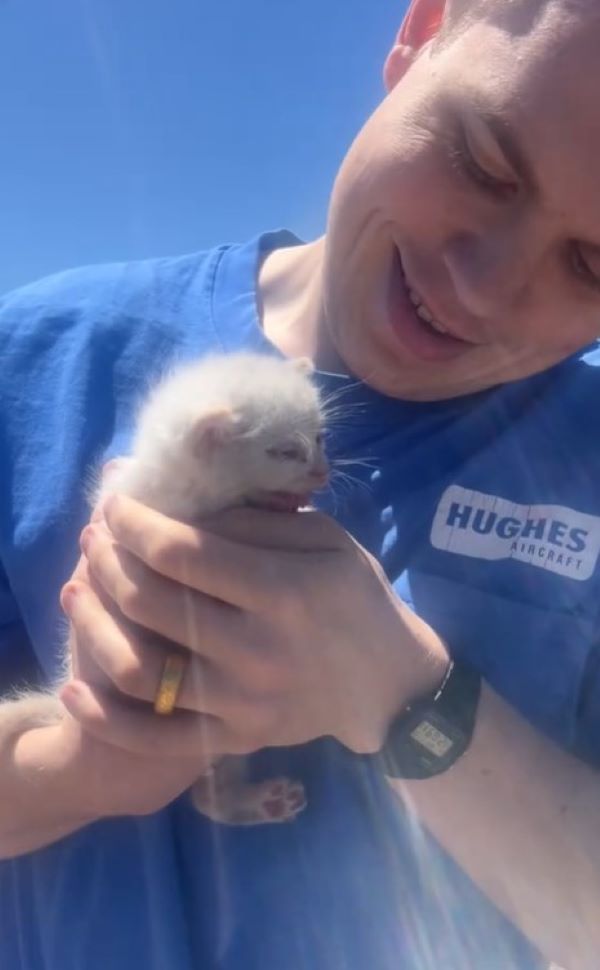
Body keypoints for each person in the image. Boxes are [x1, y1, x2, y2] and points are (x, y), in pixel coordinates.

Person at [1, 0, 600, 967]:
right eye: (482, 163)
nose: (485, 287)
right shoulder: (33, 364)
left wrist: (410, 697)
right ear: (418, 37)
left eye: (593, 265)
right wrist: (82, 766)